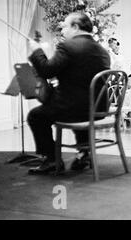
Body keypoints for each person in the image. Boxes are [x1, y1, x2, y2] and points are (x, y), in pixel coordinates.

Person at [27, 12, 110, 174]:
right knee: (77, 106)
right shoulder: (102, 50)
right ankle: (84, 153)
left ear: (75, 27)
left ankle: (51, 159)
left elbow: (46, 71)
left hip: (75, 108)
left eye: (64, 26)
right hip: (98, 108)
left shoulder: (67, 46)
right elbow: (81, 76)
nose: (62, 31)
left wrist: (37, 51)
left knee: (36, 116)